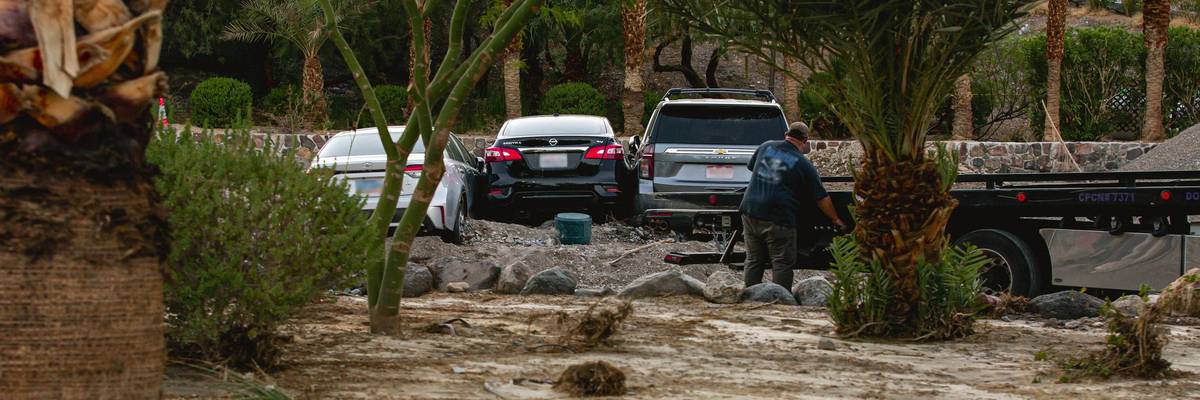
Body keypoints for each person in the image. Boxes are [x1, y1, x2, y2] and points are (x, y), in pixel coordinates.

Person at [738, 122, 846, 289]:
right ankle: (781, 300)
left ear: (786, 135)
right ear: (805, 141)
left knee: (753, 259)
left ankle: (750, 294)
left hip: (750, 211)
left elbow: (753, 168)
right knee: (781, 262)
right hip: (778, 217)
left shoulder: (765, 146)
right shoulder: (803, 163)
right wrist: (836, 219)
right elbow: (821, 197)